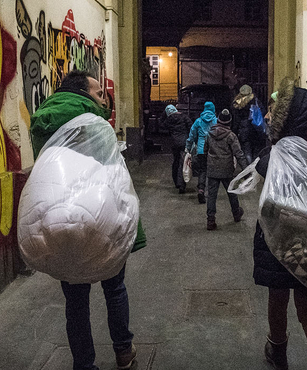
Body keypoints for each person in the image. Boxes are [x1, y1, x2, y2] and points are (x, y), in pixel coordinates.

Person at [29, 70, 139, 370]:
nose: (103, 97)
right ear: (82, 92)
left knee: (76, 302)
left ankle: (84, 364)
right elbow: (112, 172)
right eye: (98, 91)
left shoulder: (42, 119)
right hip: (101, 218)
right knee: (114, 289)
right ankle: (123, 351)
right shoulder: (92, 121)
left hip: (58, 223)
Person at [253, 78, 307, 370]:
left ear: (288, 119)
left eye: (274, 110)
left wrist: (270, 148)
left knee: (277, 300)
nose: (269, 115)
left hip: (278, 240)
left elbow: (261, 170)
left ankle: (277, 352)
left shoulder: (281, 153)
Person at [203, 109, 248, 230]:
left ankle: (210, 221)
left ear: (218, 120)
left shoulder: (209, 134)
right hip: (226, 169)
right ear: (229, 122)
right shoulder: (231, 136)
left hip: (212, 168)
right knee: (231, 192)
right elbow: (239, 154)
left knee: (211, 195)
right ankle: (236, 213)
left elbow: (204, 150)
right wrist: (246, 171)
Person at [186, 101, 217, 204]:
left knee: (202, 171)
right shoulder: (216, 121)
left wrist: (188, 148)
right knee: (212, 172)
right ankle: (211, 192)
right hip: (213, 150)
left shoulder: (198, 121)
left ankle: (201, 190)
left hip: (201, 150)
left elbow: (192, 136)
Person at [231, 84, 267, 163]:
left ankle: (248, 170)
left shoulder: (237, 103)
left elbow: (236, 120)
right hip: (256, 129)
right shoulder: (255, 101)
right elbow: (263, 112)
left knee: (247, 151)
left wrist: (234, 132)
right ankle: (255, 168)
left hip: (243, 130)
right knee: (256, 151)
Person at [164, 104, 193, 193]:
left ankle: (176, 181)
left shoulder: (168, 120)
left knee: (176, 161)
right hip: (184, 142)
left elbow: (163, 125)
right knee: (183, 162)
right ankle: (182, 184)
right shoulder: (184, 117)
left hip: (174, 143)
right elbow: (191, 127)